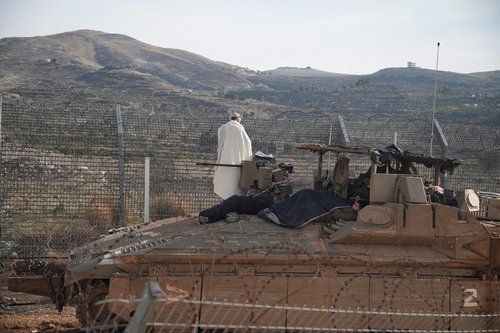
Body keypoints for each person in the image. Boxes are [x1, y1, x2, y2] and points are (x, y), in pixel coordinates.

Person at [213, 111, 253, 200]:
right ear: (238, 118)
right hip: (237, 161)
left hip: (224, 160)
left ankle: (226, 201)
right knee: (235, 183)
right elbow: (247, 143)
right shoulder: (239, 128)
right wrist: (247, 157)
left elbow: (220, 145)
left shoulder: (223, 128)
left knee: (225, 183)